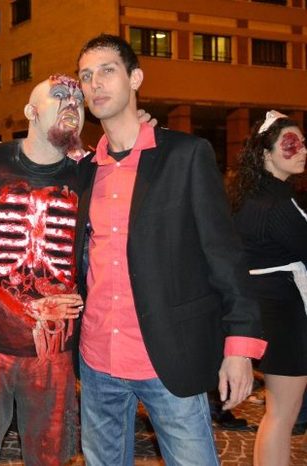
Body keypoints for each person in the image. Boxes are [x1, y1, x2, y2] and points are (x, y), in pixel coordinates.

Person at [74, 34, 266, 465]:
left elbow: (225, 256)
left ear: (135, 78)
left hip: (167, 356)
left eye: (107, 71)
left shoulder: (185, 155)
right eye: (86, 76)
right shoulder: (85, 172)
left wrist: (239, 346)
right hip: (98, 358)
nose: (95, 83)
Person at [0, 74, 85, 466]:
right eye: (58, 95)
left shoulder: (90, 170)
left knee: (50, 457)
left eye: (78, 99)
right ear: (31, 111)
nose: (71, 104)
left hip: (53, 353)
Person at [228, 110, 307, 466]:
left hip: (268, 308)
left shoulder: (251, 196)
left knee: (277, 415)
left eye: (303, 142)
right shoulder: (275, 204)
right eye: (291, 144)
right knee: (282, 415)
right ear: (266, 154)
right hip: (284, 313)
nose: (302, 150)